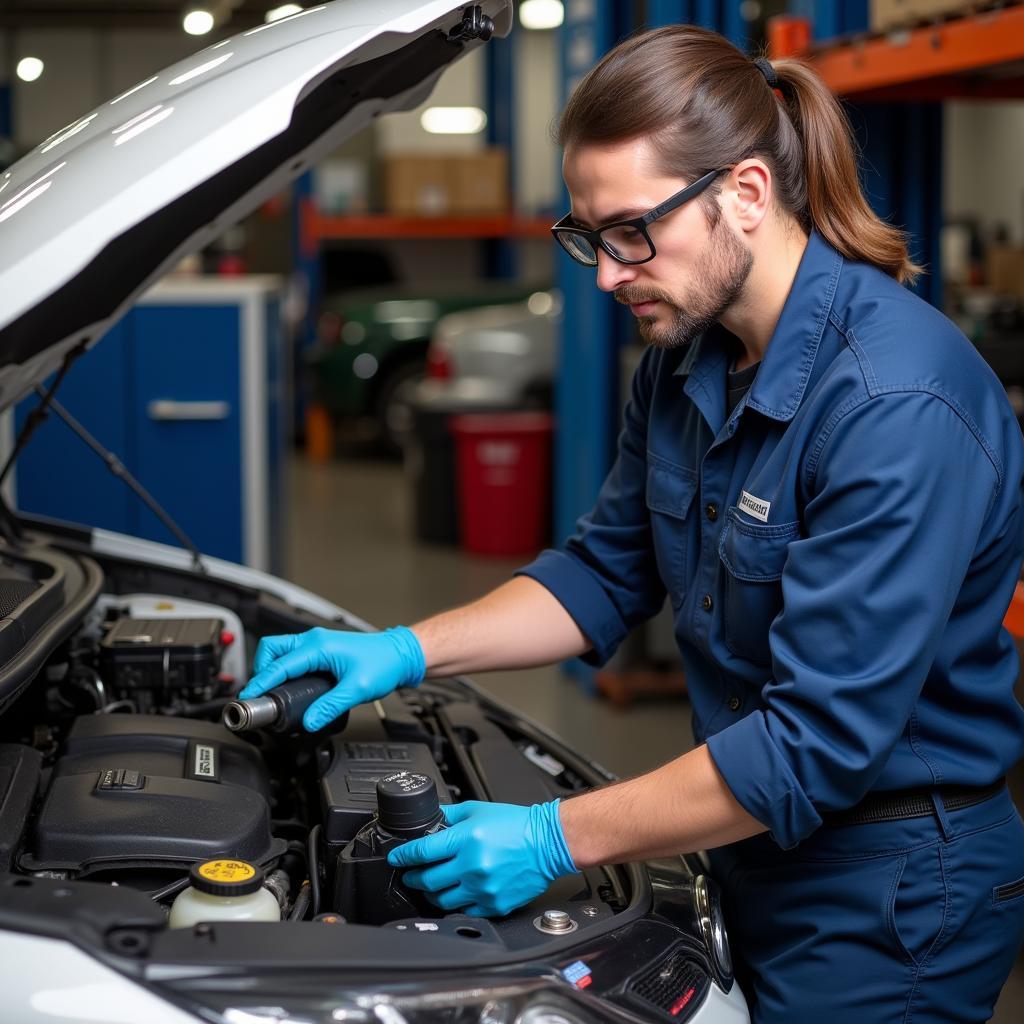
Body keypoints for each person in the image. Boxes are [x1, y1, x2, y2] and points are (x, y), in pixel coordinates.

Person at [240, 25, 1024, 1022]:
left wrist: (550, 839)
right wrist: (399, 648)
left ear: (745, 193)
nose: (607, 273)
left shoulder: (893, 404)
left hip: (894, 888)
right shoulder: (683, 358)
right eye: (588, 236)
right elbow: (604, 575)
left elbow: (809, 749)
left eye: (629, 231)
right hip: (748, 836)